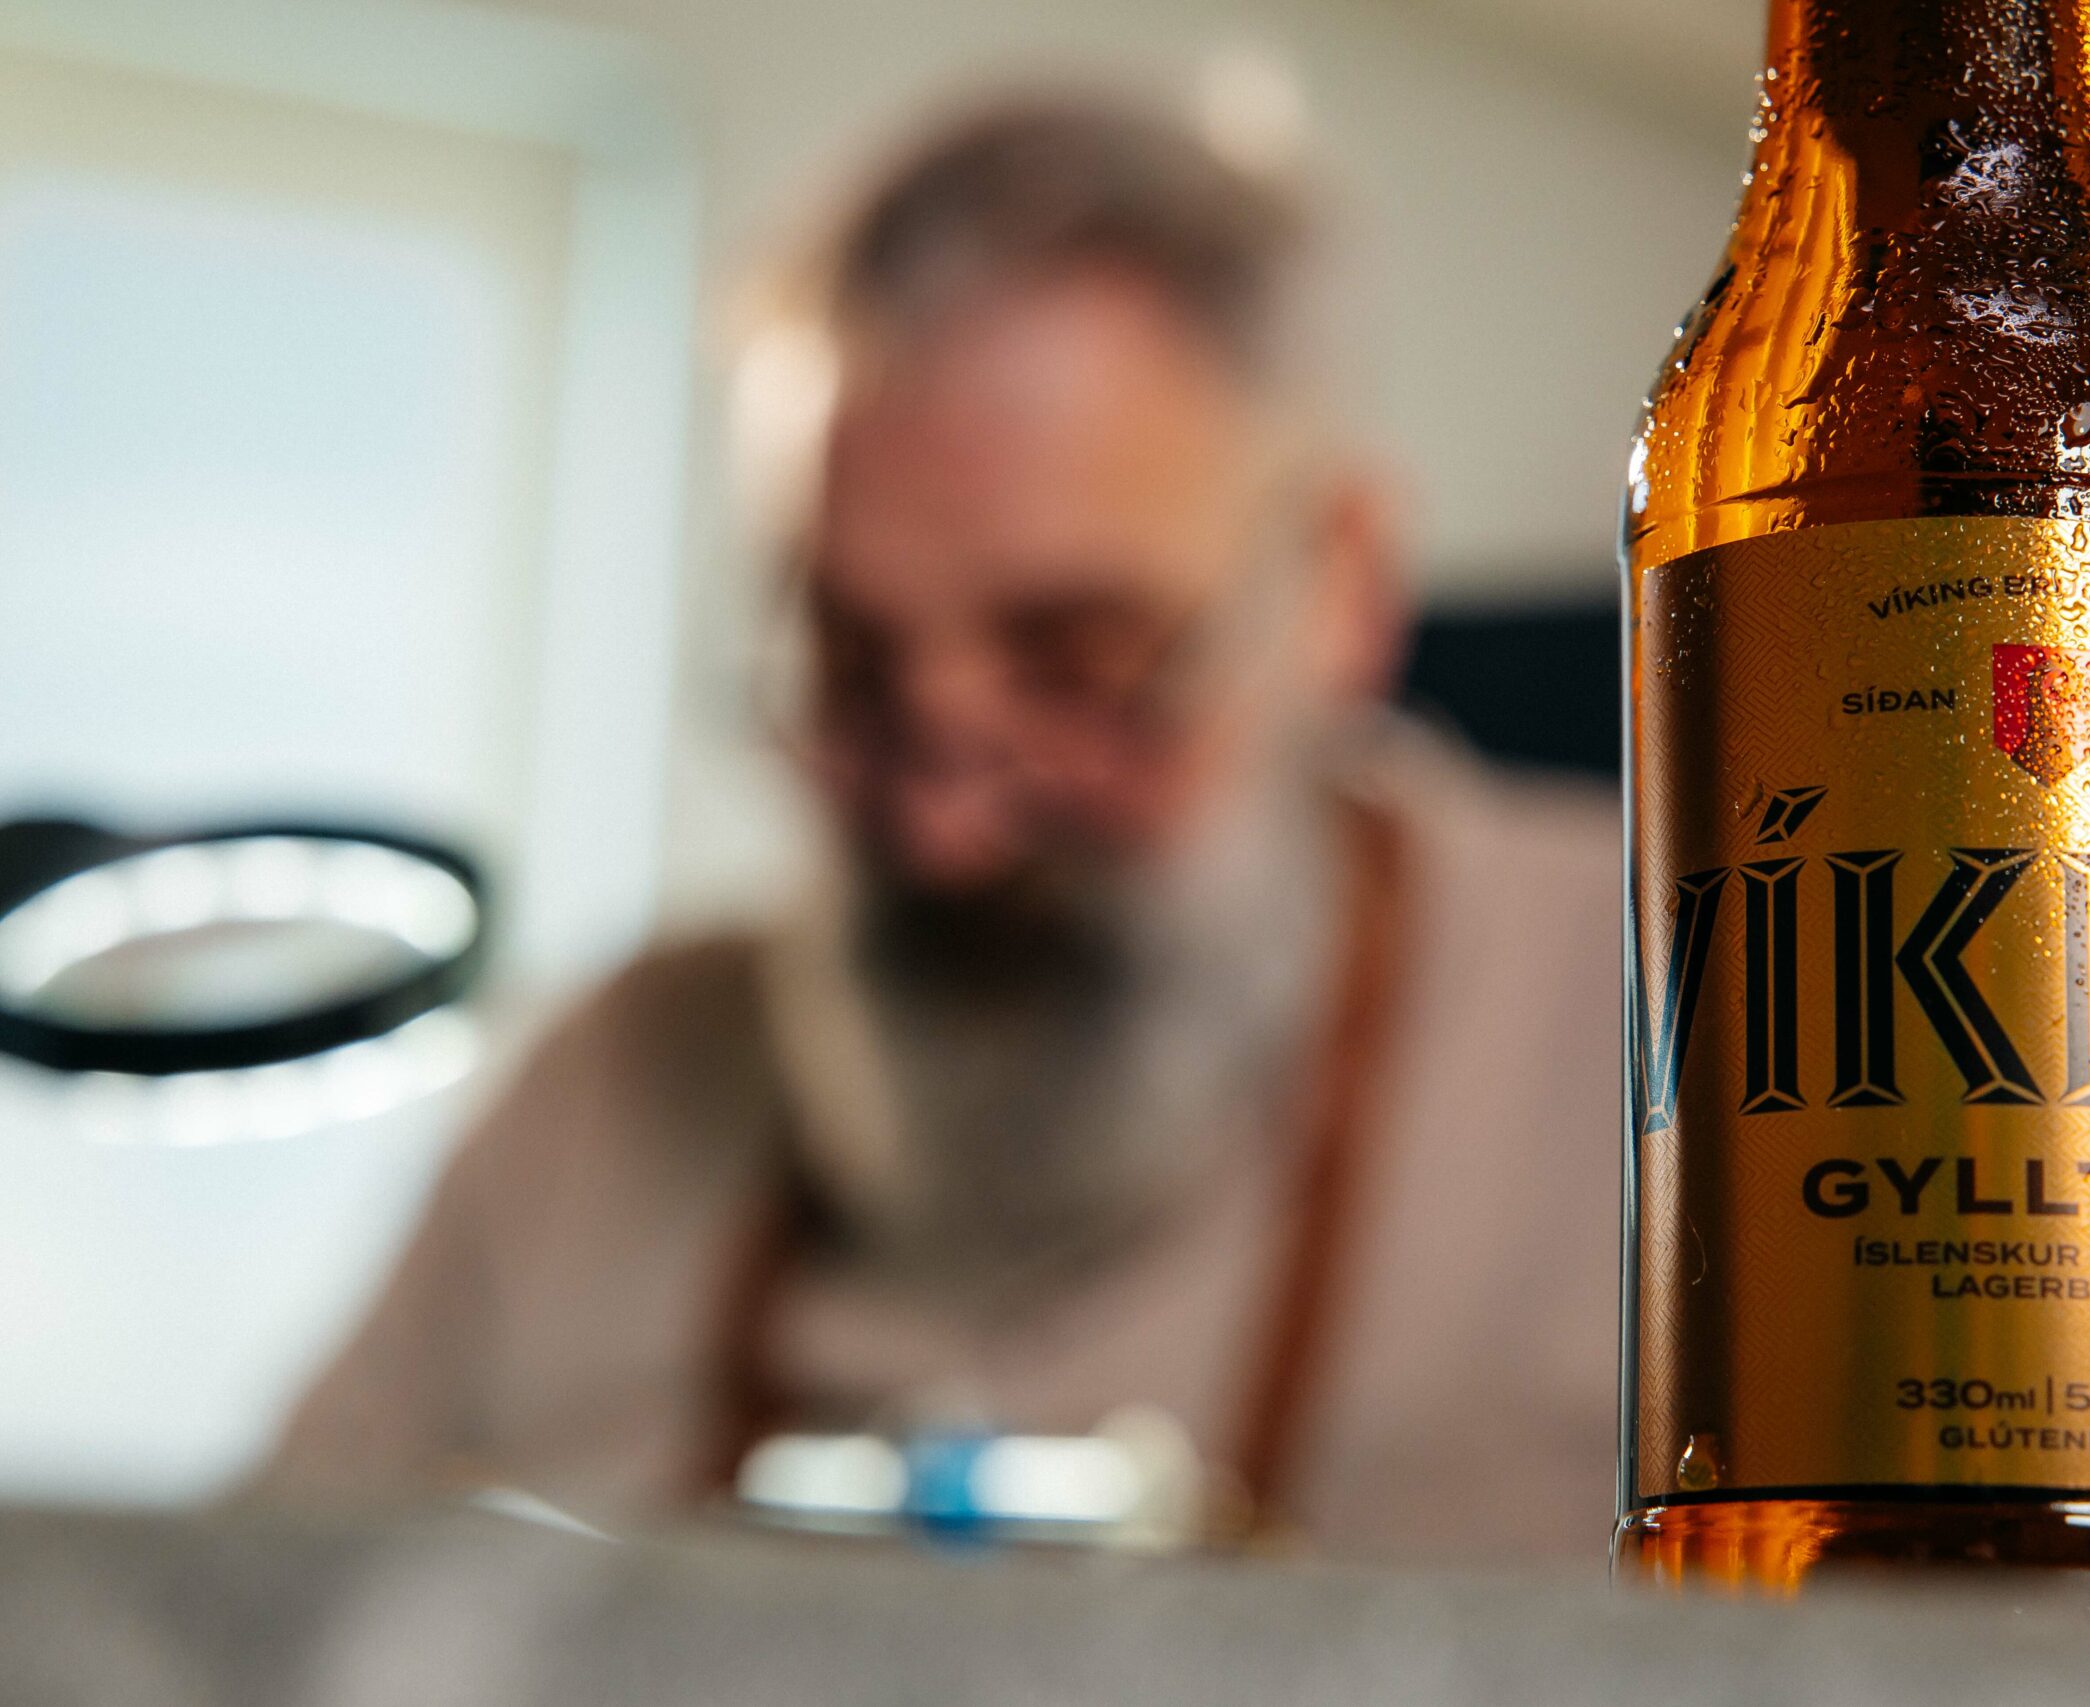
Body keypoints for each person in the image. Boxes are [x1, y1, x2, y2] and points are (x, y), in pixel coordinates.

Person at [263, 92, 1620, 1562]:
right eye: (849, 670)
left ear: (1343, 583)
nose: (944, 827)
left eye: (1082, 669)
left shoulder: (1688, 1029)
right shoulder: (605, 1085)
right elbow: (245, 1619)